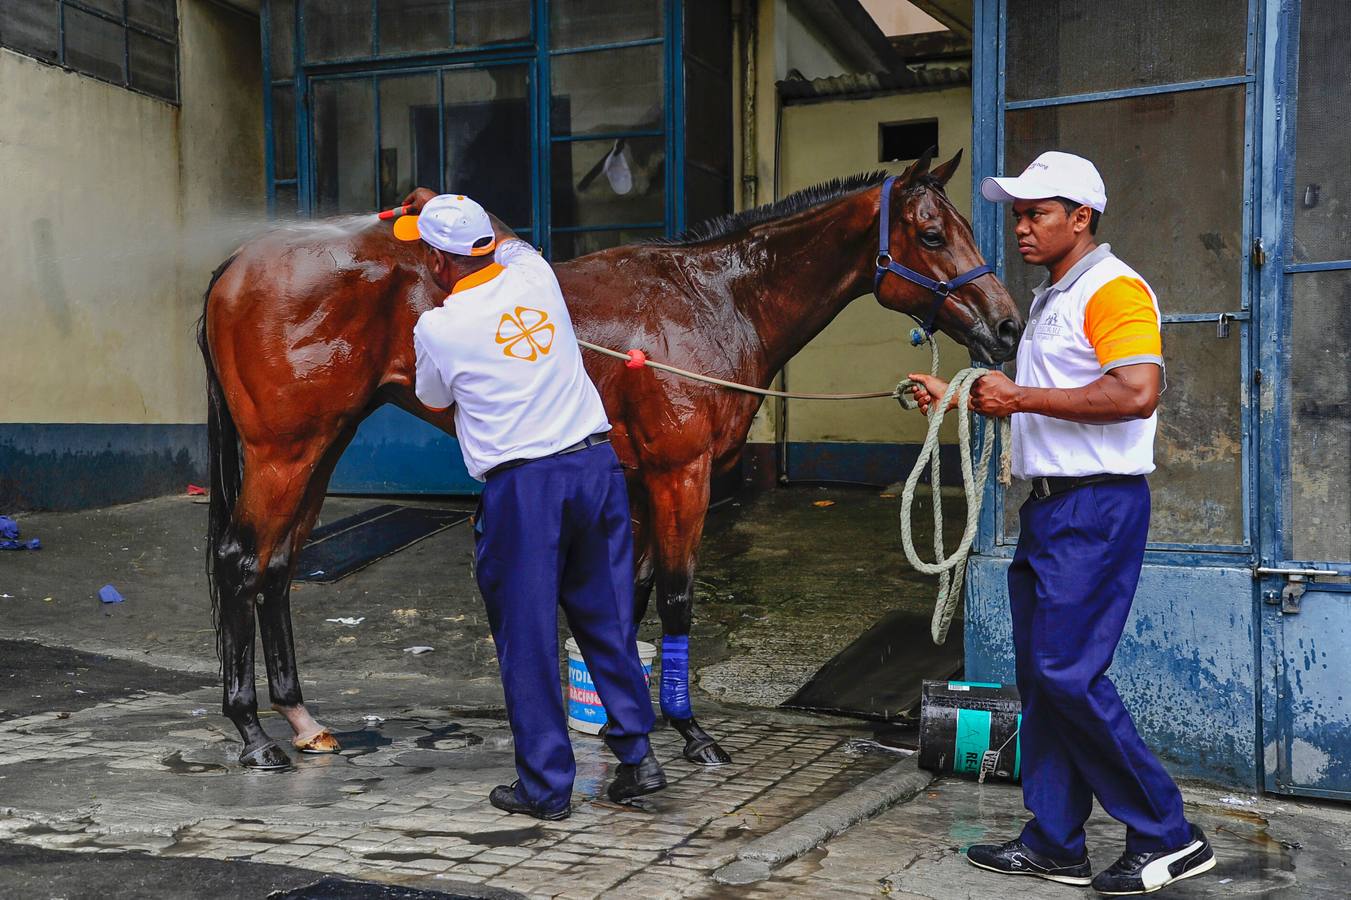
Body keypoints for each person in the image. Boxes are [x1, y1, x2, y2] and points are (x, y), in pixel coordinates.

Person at [908, 152, 1215, 896]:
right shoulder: (1052, 296)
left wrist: (1016, 402)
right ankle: (1053, 840)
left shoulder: (1111, 289)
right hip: (1049, 508)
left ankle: (1167, 836)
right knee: (1043, 681)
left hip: (1096, 507)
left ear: (1080, 218)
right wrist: (964, 396)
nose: (1019, 226)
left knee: (1066, 675)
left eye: (1035, 212)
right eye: (1017, 213)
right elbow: (1041, 390)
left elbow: (1135, 392)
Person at [396, 193, 666, 820]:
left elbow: (433, 396)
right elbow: (506, 235)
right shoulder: (534, 273)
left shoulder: (438, 326)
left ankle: (546, 788)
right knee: (606, 617)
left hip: (526, 489)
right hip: (595, 468)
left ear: (438, 262)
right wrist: (447, 201)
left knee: (528, 637)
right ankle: (637, 755)